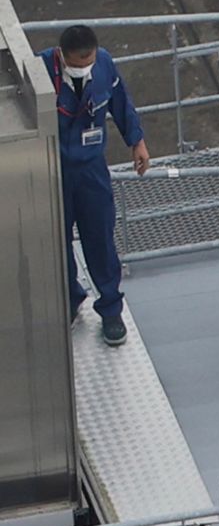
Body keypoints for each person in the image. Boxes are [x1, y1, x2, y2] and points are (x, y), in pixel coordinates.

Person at [40, 25, 150, 347]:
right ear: (62, 56)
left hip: (91, 170)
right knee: (57, 241)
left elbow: (120, 102)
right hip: (53, 170)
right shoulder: (41, 71)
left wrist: (137, 141)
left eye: (89, 58)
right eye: (77, 61)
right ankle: (70, 300)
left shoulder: (103, 65)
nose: (84, 64)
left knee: (100, 237)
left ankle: (111, 308)